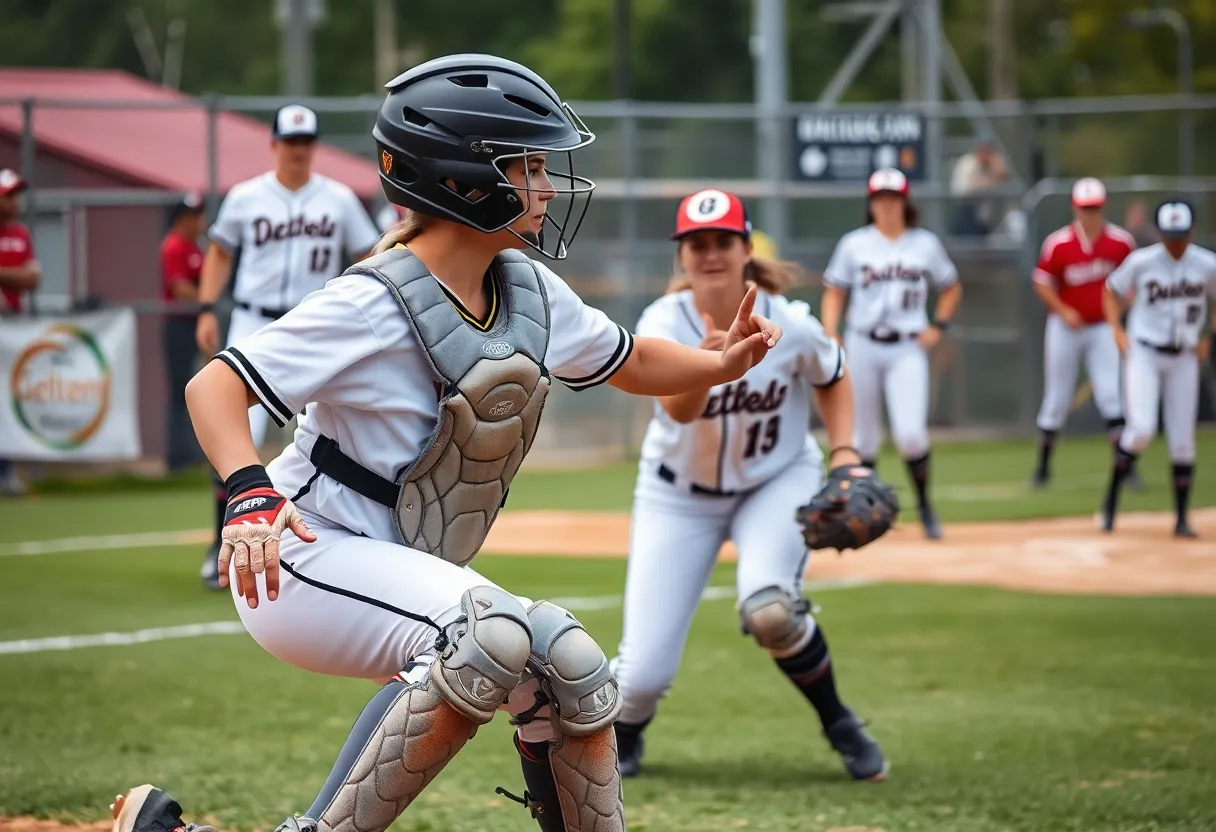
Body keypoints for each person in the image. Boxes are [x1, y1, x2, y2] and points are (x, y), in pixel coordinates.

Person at [109, 54, 784, 832]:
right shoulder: (373, 299)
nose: (547, 184)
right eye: (526, 164)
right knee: (486, 633)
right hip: (302, 555)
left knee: (569, 667)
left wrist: (719, 360)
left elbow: (628, 360)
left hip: (398, 564)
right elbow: (214, 387)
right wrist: (249, 494)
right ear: (464, 178)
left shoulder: (524, 287)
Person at [609, 188, 890, 783]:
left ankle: (840, 722)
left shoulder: (785, 319)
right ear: (682, 255)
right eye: (697, 243)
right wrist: (709, 364)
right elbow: (678, 414)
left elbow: (834, 372)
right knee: (640, 677)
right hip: (677, 495)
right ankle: (627, 733)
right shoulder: (663, 322)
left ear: (746, 248)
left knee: (770, 611)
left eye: (723, 241)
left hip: (775, 481)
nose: (710, 254)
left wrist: (846, 455)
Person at [193, 103, 383, 590]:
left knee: (332, 430)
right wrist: (206, 309)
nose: (298, 151)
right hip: (253, 321)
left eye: (306, 142)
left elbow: (369, 255)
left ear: (313, 146)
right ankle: (224, 541)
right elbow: (219, 253)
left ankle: (335, 542)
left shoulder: (338, 199)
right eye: (290, 142)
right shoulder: (246, 197)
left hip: (312, 328)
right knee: (237, 432)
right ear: (274, 144)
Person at [820, 168, 962, 539]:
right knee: (864, 440)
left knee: (911, 435)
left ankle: (926, 506)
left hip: (907, 346)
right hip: (863, 343)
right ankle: (866, 515)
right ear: (871, 203)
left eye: (892, 197)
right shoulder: (855, 244)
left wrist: (939, 326)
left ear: (904, 201)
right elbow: (834, 291)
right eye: (879, 197)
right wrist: (831, 331)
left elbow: (950, 287)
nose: (885, 204)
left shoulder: (924, 244)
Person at [1100, 199, 1216, 537]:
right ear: (1158, 233)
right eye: (1169, 235)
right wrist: (1117, 331)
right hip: (1145, 354)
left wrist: (1210, 335)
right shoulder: (1142, 261)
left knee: (1183, 440)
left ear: (1191, 232)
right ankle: (1110, 501)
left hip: (1184, 356)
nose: (1175, 242)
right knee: (1142, 429)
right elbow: (1110, 290)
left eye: (1180, 235)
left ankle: (1181, 519)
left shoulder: (1206, 264)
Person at [1029, 178, 1140, 489]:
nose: (1089, 214)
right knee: (1056, 398)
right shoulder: (1059, 243)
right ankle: (1042, 469)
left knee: (1110, 396)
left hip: (1104, 326)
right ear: (1074, 208)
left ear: (1102, 208)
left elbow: (1132, 283)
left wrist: (1122, 307)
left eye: (1094, 208)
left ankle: (1125, 468)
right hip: (1065, 327)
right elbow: (1041, 281)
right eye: (1084, 208)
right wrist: (1062, 310)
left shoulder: (1120, 242)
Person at [0, 168, 40, 496]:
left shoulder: (20, 233)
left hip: (11, 327)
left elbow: (32, 279)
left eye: (15, 195)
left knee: (8, 399)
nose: (14, 202)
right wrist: (15, 275)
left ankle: (7, 471)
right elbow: (22, 275)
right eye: (8, 196)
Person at [161, 192, 207, 472]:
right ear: (181, 219)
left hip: (195, 324)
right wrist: (208, 300)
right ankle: (176, 457)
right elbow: (180, 289)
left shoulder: (196, 247)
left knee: (195, 386)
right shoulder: (174, 246)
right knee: (181, 388)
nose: (198, 222)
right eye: (193, 217)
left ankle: (190, 452)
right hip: (178, 324)